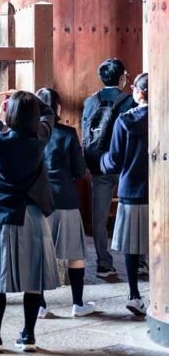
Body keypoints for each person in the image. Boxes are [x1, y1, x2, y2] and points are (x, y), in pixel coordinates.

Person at [0, 90, 60, 353]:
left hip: (5, 215)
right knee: (33, 278)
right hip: (34, 214)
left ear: (10, 114)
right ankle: (28, 336)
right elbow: (48, 114)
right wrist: (32, 99)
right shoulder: (40, 139)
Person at [35, 87, 94, 319]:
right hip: (66, 198)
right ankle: (77, 303)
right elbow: (80, 170)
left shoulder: (31, 135)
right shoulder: (68, 134)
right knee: (74, 253)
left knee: (38, 253)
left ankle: (39, 304)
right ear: (57, 108)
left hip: (38, 200)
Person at [100, 73, 149, 317]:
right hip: (159, 190)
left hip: (131, 189)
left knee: (132, 246)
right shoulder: (163, 118)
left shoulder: (125, 120)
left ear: (137, 92)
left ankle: (134, 294)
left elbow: (114, 159)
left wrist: (101, 161)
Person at [81, 58, 135, 279]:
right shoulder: (130, 102)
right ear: (122, 77)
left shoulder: (90, 102)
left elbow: (85, 135)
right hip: (125, 167)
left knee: (99, 217)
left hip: (99, 166)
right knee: (132, 213)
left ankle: (103, 263)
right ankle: (138, 260)